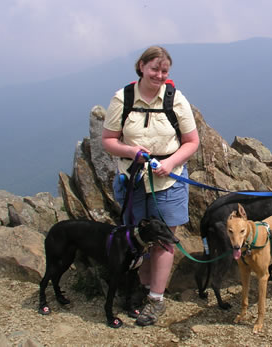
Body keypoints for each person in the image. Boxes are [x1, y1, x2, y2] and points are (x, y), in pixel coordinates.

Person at [102, 46, 200, 326]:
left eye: (164, 70)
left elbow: (192, 141)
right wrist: (132, 152)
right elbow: (108, 140)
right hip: (133, 179)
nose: (159, 75)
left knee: (164, 240)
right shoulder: (123, 98)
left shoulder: (175, 99)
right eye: (154, 68)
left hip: (168, 180)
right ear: (141, 67)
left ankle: (156, 299)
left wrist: (169, 163)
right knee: (137, 240)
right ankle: (141, 291)